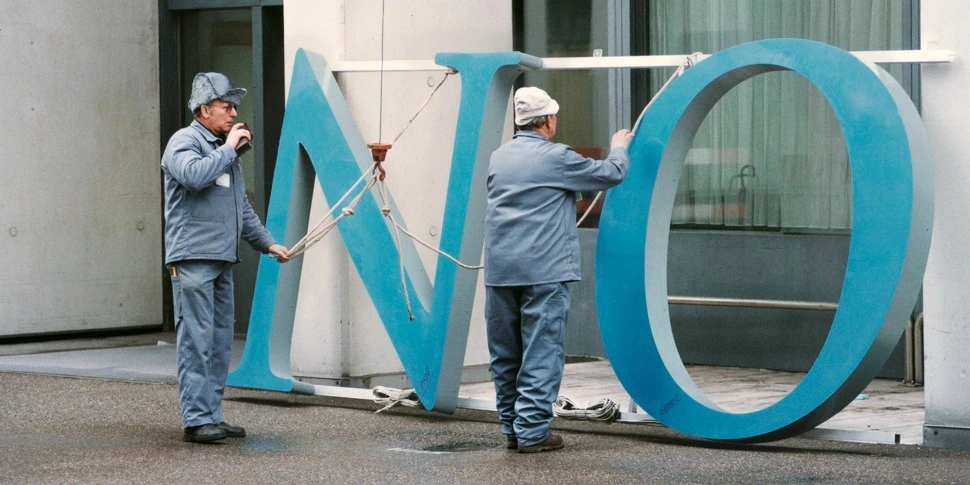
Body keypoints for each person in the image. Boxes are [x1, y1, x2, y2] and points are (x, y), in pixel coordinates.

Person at [483, 87, 633, 453]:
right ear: (549, 120)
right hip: (543, 271)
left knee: (506, 355)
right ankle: (533, 432)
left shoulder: (499, 158)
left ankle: (512, 430)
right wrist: (619, 145)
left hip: (500, 271)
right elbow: (611, 174)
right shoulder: (556, 157)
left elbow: (532, 193)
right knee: (541, 351)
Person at [161, 72, 290, 443]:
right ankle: (197, 420)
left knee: (218, 343)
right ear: (204, 110)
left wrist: (267, 243)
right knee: (196, 341)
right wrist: (230, 149)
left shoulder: (223, 149)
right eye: (226, 106)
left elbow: (241, 208)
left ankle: (212, 416)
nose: (234, 113)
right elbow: (193, 175)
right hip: (193, 258)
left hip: (220, 259)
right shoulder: (185, 141)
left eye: (234, 106)